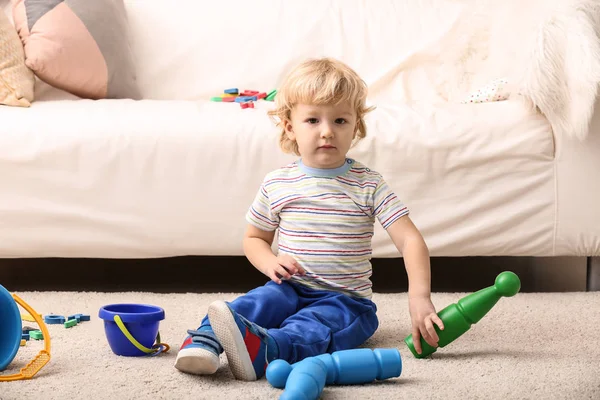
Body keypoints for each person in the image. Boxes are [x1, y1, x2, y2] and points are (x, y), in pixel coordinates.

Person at [174, 57, 443, 381]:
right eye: (313, 120)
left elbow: (409, 239)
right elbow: (254, 239)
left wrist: (419, 297)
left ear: (356, 126)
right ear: (290, 126)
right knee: (255, 303)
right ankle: (204, 340)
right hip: (290, 287)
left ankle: (269, 349)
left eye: (340, 121)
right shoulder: (278, 183)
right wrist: (270, 263)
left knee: (312, 329)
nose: (327, 131)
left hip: (346, 302)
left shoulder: (368, 184)